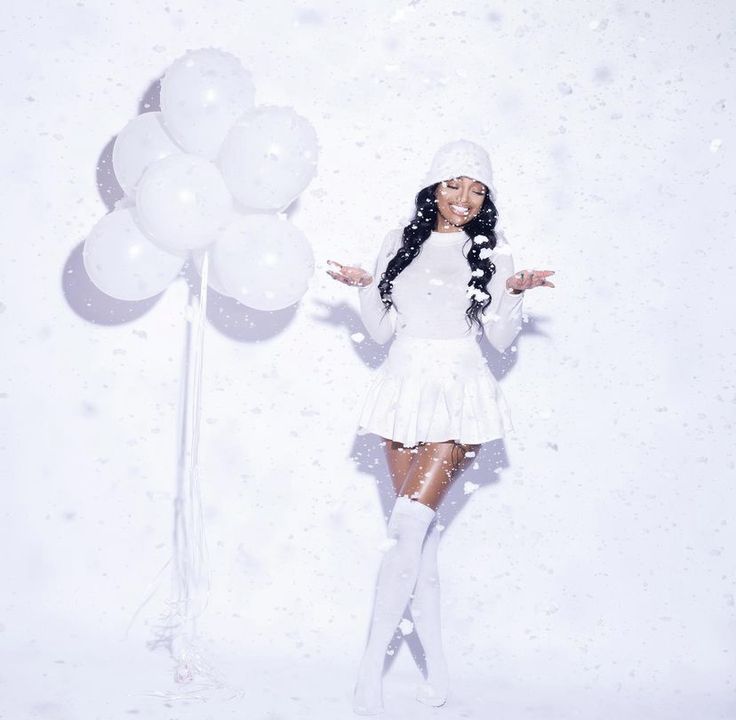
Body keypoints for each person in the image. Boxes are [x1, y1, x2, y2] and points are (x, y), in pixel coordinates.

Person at [326, 139, 555, 715]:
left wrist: (514, 295)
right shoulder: (398, 243)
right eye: (455, 184)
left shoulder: (494, 252)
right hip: (403, 389)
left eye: (478, 189)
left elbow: (500, 339)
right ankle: (441, 675)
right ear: (433, 187)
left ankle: (367, 671)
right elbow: (380, 332)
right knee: (416, 544)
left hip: (461, 394)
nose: (465, 198)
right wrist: (360, 287)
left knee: (406, 525)